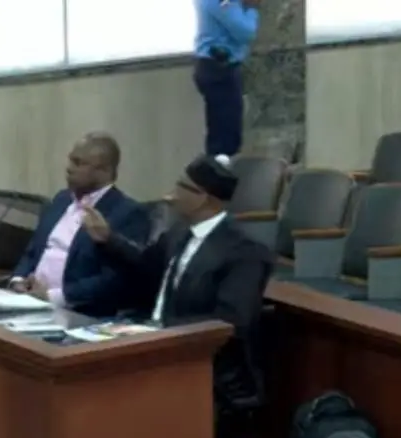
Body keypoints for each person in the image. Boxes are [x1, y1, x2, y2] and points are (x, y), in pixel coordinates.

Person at [81, 154, 274, 414]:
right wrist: (107, 239)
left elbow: (231, 321)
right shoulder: (179, 232)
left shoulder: (245, 252)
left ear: (203, 197)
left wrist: (159, 331)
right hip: (156, 348)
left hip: (204, 371)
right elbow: (146, 267)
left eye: (181, 186)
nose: (170, 195)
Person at [10, 133, 151, 318]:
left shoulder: (127, 213)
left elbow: (112, 280)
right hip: (27, 301)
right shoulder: (62, 199)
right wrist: (18, 280)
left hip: (75, 311)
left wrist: (53, 296)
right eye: (70, 160)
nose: (69, 168)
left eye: (78, 163)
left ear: (104, 170)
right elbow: (33, 251)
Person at [193, 0, 261, 157]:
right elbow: (245, 32)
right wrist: (251, 9)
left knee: (223, 131)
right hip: (219, 70)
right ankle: (219, 168)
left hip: (217, 67)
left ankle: (218, 166)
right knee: (226, 138)